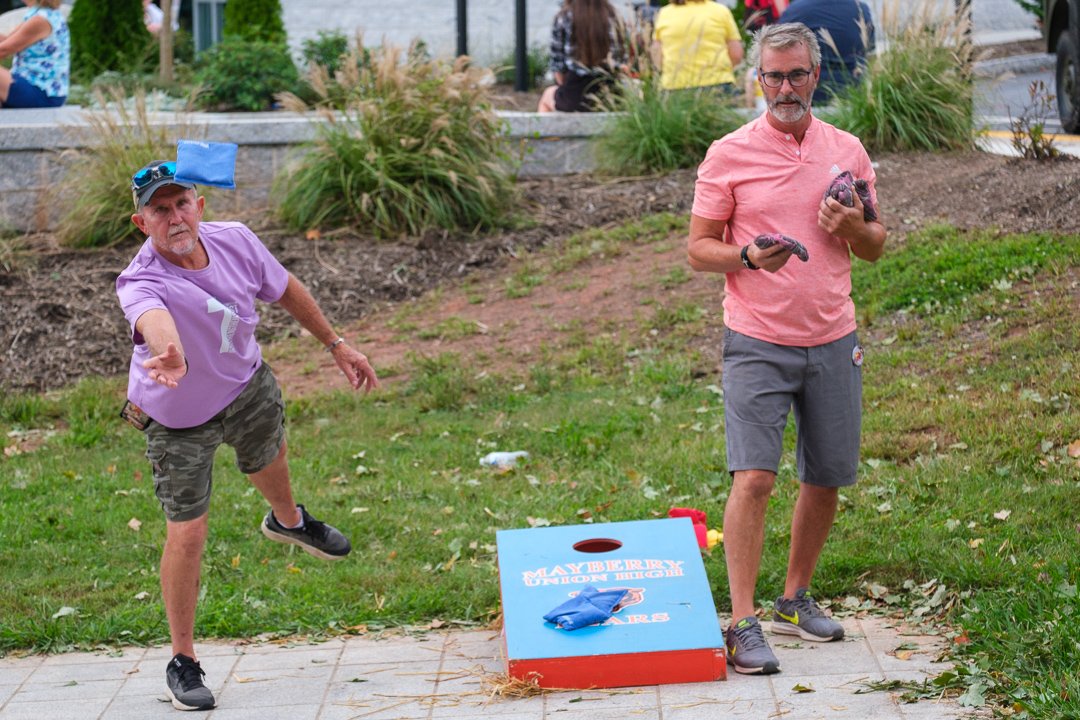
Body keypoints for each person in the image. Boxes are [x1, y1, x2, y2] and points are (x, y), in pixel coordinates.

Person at [116, 160, 379, 710]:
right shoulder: (140, 281)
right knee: (187, 533)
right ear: (142, 224)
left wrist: (337, 344)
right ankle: (183, 661)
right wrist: (168, 351)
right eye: (159, 210)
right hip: (178, 418)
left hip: (245, 383)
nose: (174, 217)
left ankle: (289, 522)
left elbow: (284, 288)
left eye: (181, 203)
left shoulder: (234, 240)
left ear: (200, 207)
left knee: (269, 455)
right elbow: (153, 320)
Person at [687, 22, 886, 675]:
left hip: (833, 334)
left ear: (817, 75)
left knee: (827, 477)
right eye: (773, 76)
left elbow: (875, 244)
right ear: (758, 79)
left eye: (797, 74)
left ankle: (794, 597)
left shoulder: (847, 150)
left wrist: (852, 223)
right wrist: (745, 255)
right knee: (756, 478)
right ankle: (742, 622)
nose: (784, 88)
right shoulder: (729, 153)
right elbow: (697, 249)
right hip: (756, 338)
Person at [538, 0, 626, 113]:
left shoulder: (563, 17)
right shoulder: (614, 16)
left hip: (574, 96)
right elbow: (622, 63)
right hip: (611, 96)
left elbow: (558, 72)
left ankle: (544, 131)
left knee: (547, 97)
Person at [779, 0, 875, 104]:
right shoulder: (861, 8)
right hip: (856, 95)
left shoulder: (796, 9)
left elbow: (777, 49)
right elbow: (869, 49)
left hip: (811, 95)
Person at [651, 0, 744, 94]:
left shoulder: (664, 13)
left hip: (674, 87)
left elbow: (657, 56)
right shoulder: (720, 11)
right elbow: (736, 54)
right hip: (718, 84)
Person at [0, 0, 69, 109]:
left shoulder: (40, 20)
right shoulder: (38, 13)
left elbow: (4, 50)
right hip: (31, 84)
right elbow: (7, 40)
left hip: (42, 93)